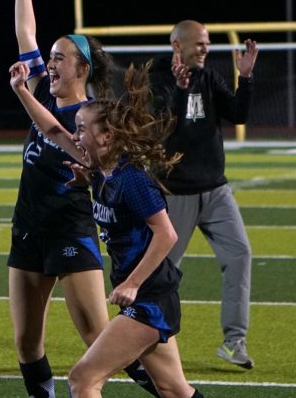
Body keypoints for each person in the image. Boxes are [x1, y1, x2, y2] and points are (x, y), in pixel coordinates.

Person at [9, 0, 160, 397]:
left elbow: (55, 130)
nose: (49, 63)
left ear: (83, 67)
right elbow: (24, 32)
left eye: (59, 57)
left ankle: (169, 390)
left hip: (71, 229)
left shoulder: (91, 117)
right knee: (26, 342)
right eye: (49, 58)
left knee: (99, 338)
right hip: (28, 230)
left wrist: (23, 93)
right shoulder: (45, 93)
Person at [10, 59, 204, 398]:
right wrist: (21, 91)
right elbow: (52, 130)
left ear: (107, 135)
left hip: (150, 298)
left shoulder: (130, 178)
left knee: (82, 380)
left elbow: (167, 234)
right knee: (173, 389)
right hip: (150, 296)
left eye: (82, 129)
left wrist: (132, 283)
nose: (75, 135)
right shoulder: (98, 168)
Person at [150, 20, 259, 369]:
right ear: (177, 45)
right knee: (162, 273)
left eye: (207, 43)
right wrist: (180, 91)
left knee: (240, 254)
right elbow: (163, 130)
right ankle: (141, 337)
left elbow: (238, 114)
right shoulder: (158, 79)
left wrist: (247, 78)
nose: (205, 49)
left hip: (216, 189)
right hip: (177, 193)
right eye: (199, 43)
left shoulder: (210, 78)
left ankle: (234, 342)